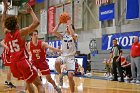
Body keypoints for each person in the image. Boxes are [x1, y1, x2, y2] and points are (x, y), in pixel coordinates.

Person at [2, 1, 45, 93]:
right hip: (22, 62)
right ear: (16, 24)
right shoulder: (21, 32)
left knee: (29, 82)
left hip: (14, 64)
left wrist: (5, 9)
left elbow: (3, 21)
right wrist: (31, 11)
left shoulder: (6, 33)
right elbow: (36, 22)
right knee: (39, 84)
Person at [52, 17, 77, 93]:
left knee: (70, 77)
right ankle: (60, 75)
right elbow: (54, 31)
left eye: (68, 27)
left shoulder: (75, 35)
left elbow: (72, 34)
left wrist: (69, 24)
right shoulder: (63, 36)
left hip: (71, 57)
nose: (67, 27)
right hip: (63, 56)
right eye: (66, 27)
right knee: (57, 62)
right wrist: (59, 23)